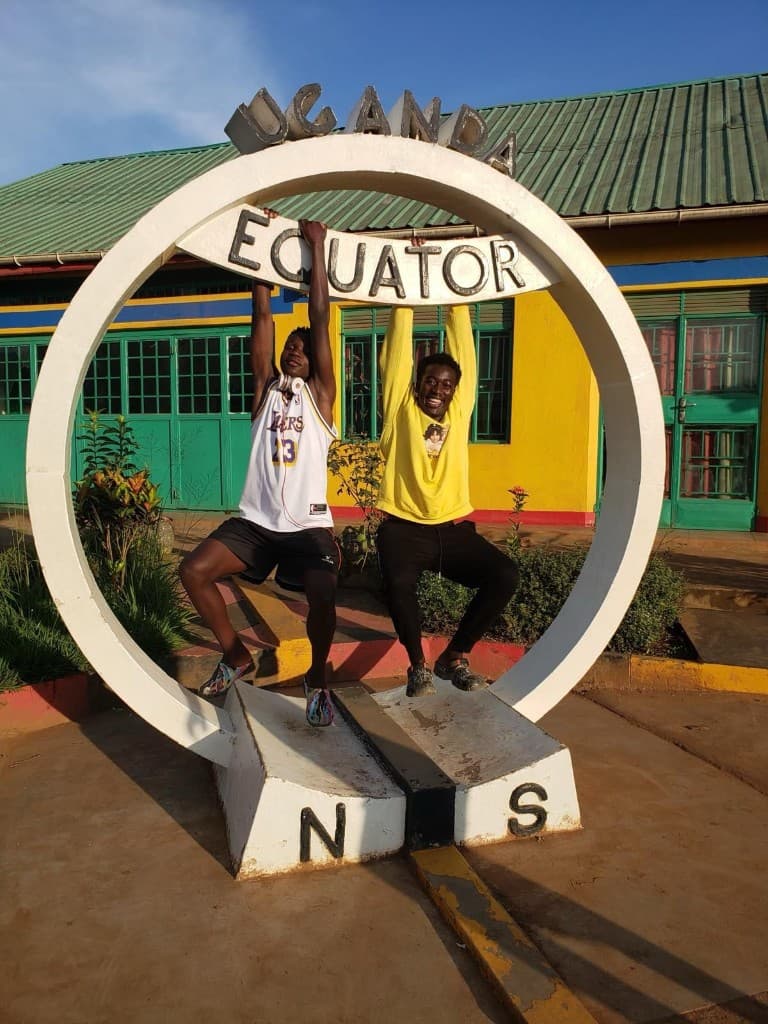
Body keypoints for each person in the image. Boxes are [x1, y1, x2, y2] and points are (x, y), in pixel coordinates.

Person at [180, 219, 339, 727]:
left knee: (324, 594)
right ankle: (235, 655)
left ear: (314, 361)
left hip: (307, 526)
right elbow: (262, 321)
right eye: (289, 348)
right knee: (194, 571)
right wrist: (260, 273)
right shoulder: (264, 392)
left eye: (303, 348)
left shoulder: (321, 398)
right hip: (254, 523)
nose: (294, 352)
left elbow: (319, 316)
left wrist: (316, 250)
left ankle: (318, 678)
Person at [376, 303, 520, 697]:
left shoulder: (458, 413)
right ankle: (418, 667)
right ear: (416, 382)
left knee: (505, 575)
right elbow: (396, 357)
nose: (437, 390)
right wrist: (403, 301)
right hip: (403, 529)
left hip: (451, 531)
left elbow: (467, 362)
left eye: (446, 384)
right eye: (430, 381)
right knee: (399, 584)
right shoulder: (400, 410)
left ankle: (453, 657)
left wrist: (456, 304)